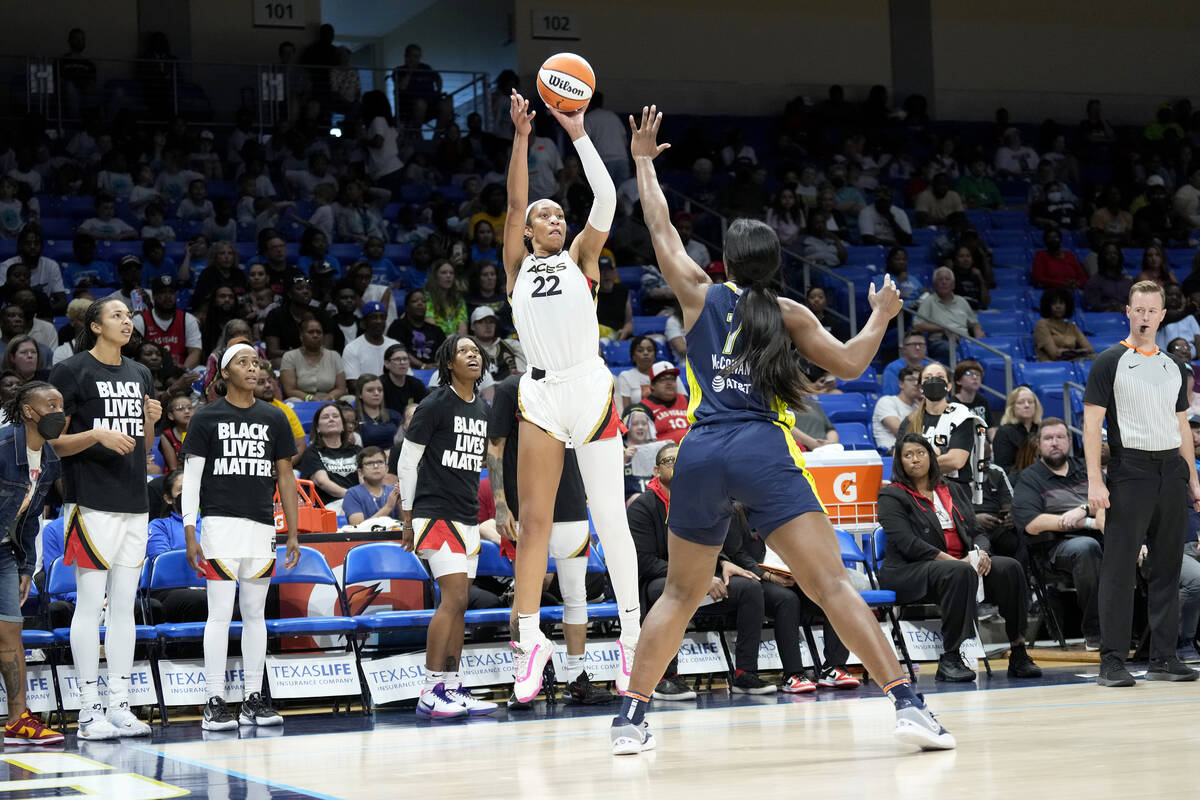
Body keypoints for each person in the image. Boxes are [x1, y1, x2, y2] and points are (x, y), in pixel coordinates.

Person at [611, 106, 952, 755]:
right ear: (774, 264)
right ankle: (908, 704)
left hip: (703, 450)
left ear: (728, 261)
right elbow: (853, 362)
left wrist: (646, 161)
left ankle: (630, 717)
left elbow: (659, 228)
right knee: (830, 586)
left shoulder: (699, 294)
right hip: (762, 448)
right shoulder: (790, 311)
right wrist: (881, 314)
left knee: (681, 592)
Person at [501, 91, 645, 704]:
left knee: (610, 517)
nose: (555, 219)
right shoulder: (515, 267)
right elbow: (511, 201)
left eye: (560, 214)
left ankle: (634, 639)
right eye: (545, 215)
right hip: (540, 394)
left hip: (588, 388)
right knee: (535, 523)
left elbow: (607, 199)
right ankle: (531, 640)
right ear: (529, 231)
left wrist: (578, 133)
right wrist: (520, 137)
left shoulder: (582, 257)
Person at [48, 296, 162, 739]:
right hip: (89, 501)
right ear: (95, 326)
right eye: (117, 315)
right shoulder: (72, 370)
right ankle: (87, 709)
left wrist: (151, 419)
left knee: (124, 609)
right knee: (90, 604)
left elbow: (146, 446)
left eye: (129, 316)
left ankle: (119, 703)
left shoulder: (140, 372)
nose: (126, 322)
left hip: (135, 502)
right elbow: (54, 443)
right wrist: (94, 433)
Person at [1084, 280, 1200, 686]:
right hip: (1129, 470)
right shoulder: (1109, 361)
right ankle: (1112, 660)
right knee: (1118, 568)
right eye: (1140, 310)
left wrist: (1194, 479)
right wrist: (1095, 482)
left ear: (1163, 315)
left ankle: (1163, 657)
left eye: (1153, 311)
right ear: (1128, 313)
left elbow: (1181, 423)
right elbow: (1092, 424)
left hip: (1171, 470)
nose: (1146, 317)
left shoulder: (1173, 366)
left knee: (1167, 566)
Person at [182, 342, 299, 731]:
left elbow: (284, 476)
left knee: (254, 614)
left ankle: (252, 698)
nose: (253, 369)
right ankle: (214, 699)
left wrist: (293, 532)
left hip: (262, 526)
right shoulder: (206, 418)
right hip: (218, 525)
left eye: (256, 363)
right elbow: (192, 480)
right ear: (224, 373)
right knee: (219, 614)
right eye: (243, 363)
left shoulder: (274, 417)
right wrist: (189, 529)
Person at [487, 373, 614, 706]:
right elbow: (495, 447)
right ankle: (523, 679)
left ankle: (577, 677)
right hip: (526, 507)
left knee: (576, 596)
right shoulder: (510, 387)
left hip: (572, 502)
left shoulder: (576, 384)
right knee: (524, 599)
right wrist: (501, 505)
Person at [878, 434, 1042, 682]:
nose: (915, 460)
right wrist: (956, 562)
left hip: (960, 566)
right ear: (899, 462)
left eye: (920, 453)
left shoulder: (951, 489)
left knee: (1009, 567)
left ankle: (1018, 651)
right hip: (910, 570)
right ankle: (951, 657)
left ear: (931, 458)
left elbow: (976, 532)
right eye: (907, 455)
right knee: (959, 572)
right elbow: (908, 544)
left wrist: (980, 553)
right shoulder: (892, 496)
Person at [398, 335, 497, 718]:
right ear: (448, 362)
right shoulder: (435, 403)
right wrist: (407, 517)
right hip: (434, 512)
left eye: (476, 351)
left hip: (468, 514)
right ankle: (430, 689)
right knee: (453, 599)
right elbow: (408, 462)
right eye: (464, 352)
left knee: (461, 606)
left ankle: (452, 686)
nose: (472, 355)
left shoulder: (483, 409)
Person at [628, 443, 776, 697]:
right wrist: (697, 577)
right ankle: (665, 677)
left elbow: (709, 544)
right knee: (670, 590)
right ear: (655, 470)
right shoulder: (643, 506)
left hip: (698, 577)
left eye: (681, 460)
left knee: (750, 588)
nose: (677, 465)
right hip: (657, 580)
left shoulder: (696, 502)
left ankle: (744, 674)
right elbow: (644, 561)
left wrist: (722, 563)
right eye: (669, 461)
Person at [0, 381, 66, 743]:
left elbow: (29, 519)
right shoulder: (1, 446)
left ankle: (17, 720)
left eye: (61, 405)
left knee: (11, 634)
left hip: (5, 554)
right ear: (28, 411)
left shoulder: (50, 459)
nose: (59, 412)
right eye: (51, 405)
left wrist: (26, 567)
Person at [1012, 418, 1105, 649]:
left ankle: (1151, 633)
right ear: (1039, 444)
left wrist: (1083, 509)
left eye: (1060, 437)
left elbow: (1110, 501)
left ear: (1069, 440)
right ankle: (1095, 632)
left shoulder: (1086, 470)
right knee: (1086, 547)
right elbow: (1033, 523)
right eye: (1048, 438)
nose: (1055, 443)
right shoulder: (1030, 478)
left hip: (1103, 537)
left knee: (1141, 545)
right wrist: (1088, 521)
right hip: (1056, 549)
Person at [897, 361, 984, 490]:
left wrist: (917, 461)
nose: (934, 381)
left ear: (949, 386)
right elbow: (899, 459)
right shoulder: (909, 420)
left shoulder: (962, 416)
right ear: (921, 387)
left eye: (940, 377)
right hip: (917, 490)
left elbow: (955, 461)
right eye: (928, 378)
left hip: (954, 490)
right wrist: (938, 453)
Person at [913, 267, 986, 363]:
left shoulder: (961, 301)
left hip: (964, 340)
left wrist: (978, 331)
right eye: (940, 279)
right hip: (940, 341)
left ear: (953, 285)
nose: (944, 282)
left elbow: (974, 323)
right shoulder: (928, 301)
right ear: (934, 285)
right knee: (956, 349)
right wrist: (943, 328)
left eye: (947, 279)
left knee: (982, 348)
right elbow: (917, 325)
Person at [298, 403, 361, 505]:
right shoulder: (312, 453)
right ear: (318, 428)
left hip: (359, 502)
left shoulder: (357, 451)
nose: (331, 419)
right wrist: (352, 496)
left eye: (335, 416)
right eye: (325, 417)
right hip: (330, 506)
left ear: (343, 426)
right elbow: (322, 482)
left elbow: (366, 477)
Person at [279, 317, 346, 402]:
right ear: (301, 336)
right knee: (292, 401)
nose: (315, 335)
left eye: (319, 332)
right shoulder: (290, 356)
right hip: (302, 400)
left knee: (350, 399)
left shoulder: (334, 356)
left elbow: (341, 388)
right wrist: (310, 398)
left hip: (330, 400)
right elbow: (290, 390)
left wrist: (328, 398)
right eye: (310, 332)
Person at [253, 359, 306, 465]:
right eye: (261, 382)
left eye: (269, 381)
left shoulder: (284, 410)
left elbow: (300, 445)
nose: (268, 385)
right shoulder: (241, 409)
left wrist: (283, 470)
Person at [629, 361, 690, 444]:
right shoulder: (643, 408)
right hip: (663, 453)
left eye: (672, 379)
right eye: (663, 379)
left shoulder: (687, 400)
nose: (669, 383)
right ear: (652, 385)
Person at [344, 302, 399, 387]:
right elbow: (354, 385)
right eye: (373, 317)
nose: (379, 321)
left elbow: (406, 377)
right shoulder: (352, 348)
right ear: (363, 323)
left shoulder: (395, 346)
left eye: (382, 317)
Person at [387, 290, 445, 370]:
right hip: (406, 371)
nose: (420, 304)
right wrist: (423, 366)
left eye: (423, 301)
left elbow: (445, 353)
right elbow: (398, 351)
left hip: (435, 372)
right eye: (414, 301)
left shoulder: (436, 330)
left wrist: (438, 366)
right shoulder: (398, 326)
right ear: (407, 307)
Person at [342, 447, 400, 526]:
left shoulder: (393, 491)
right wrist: (388, 507)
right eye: (369, 463)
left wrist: (402, 504)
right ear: (360, 471)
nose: (376, 466)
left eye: (380, 462)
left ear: (386, 468)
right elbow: (357, 528)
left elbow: (405, 524)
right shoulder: (352, 494)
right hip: (366, 538)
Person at [993, 386, 1043, 476]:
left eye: (1030, 402)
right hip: (1017, 482)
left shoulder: (1042, 430)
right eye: (1021, 402)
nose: (1027, 405)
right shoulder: (1004, 433)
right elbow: (1002, 469)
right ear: (1012, 407)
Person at [1034, 287, 1094, 362]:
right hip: (1052, 366)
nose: (1058, 306)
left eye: (1061, 303)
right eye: (1054, 303)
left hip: (1073, 362)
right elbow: (1054, 354)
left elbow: (1090, 349)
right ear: (1048, 306)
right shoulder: (1042, 325)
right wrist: (1079, 352)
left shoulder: (1072, 326)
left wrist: (1068, 352)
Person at [873, 365, 921, 454]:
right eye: (911, 379)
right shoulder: (887, 401)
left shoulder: (918, 407)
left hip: (916, 451)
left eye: (919, 381)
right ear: (901, 384)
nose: (916, 383)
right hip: (891, 452)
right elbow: (900, 431)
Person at [354, 373, 401, 450]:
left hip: (394, 457)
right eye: (370, 390)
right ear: (360, 394)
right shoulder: (354, 418)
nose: (376, 393)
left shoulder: (394, 415)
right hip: (368, 458)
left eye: (380, 390)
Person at [1084, 242, 1134, 311]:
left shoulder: (1127, 282)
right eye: (1108, 253)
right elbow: (1094, 305)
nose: (1112, 256)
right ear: (1102, 257)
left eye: (1115, 253)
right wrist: (1113, 306)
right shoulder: (1094, 282)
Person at [881, 331, 931, 395]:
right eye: (913, 344)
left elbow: (942, 396)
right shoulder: (893, 368)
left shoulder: (931, 367)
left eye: (921, 344)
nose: (917, 348)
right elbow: (890, 396)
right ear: (904, 348)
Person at [381, 344, 429, 412]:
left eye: (405, 359)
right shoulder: (380, 385)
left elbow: (425, 409)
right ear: (387, 363)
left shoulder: (416, 384)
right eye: (397, 359)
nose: (402, 362)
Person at [595, 257, 633, 341]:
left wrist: (625, 331)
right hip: (598, 337)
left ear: (615, 273)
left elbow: (629, 323)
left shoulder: (623, 290)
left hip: (620, 335)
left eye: (609, 270)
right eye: (601, 271)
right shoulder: (591, 293)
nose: (605, 274)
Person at [951, 359, 995, 427]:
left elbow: (990, 429)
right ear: (958, 381)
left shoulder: (983, 401)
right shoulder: (952, 404)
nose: (975, 377)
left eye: (978, 374)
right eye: (969, 373)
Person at [157, 390, 192, 471]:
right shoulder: (166, 435)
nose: (187, 411)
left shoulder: (201, 432)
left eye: (190, 408)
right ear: (171, 415)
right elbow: (174, 468)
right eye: (180, 409)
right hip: (177, 476)